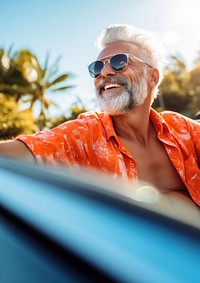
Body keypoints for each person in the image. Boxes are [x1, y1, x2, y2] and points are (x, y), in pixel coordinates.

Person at [0, 24, 200, 209]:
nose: (103, 72)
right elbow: (23, 152)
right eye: (96, 67)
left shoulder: (181, 129)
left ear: (152, 77)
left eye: (119, 61)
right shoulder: (84, 134)